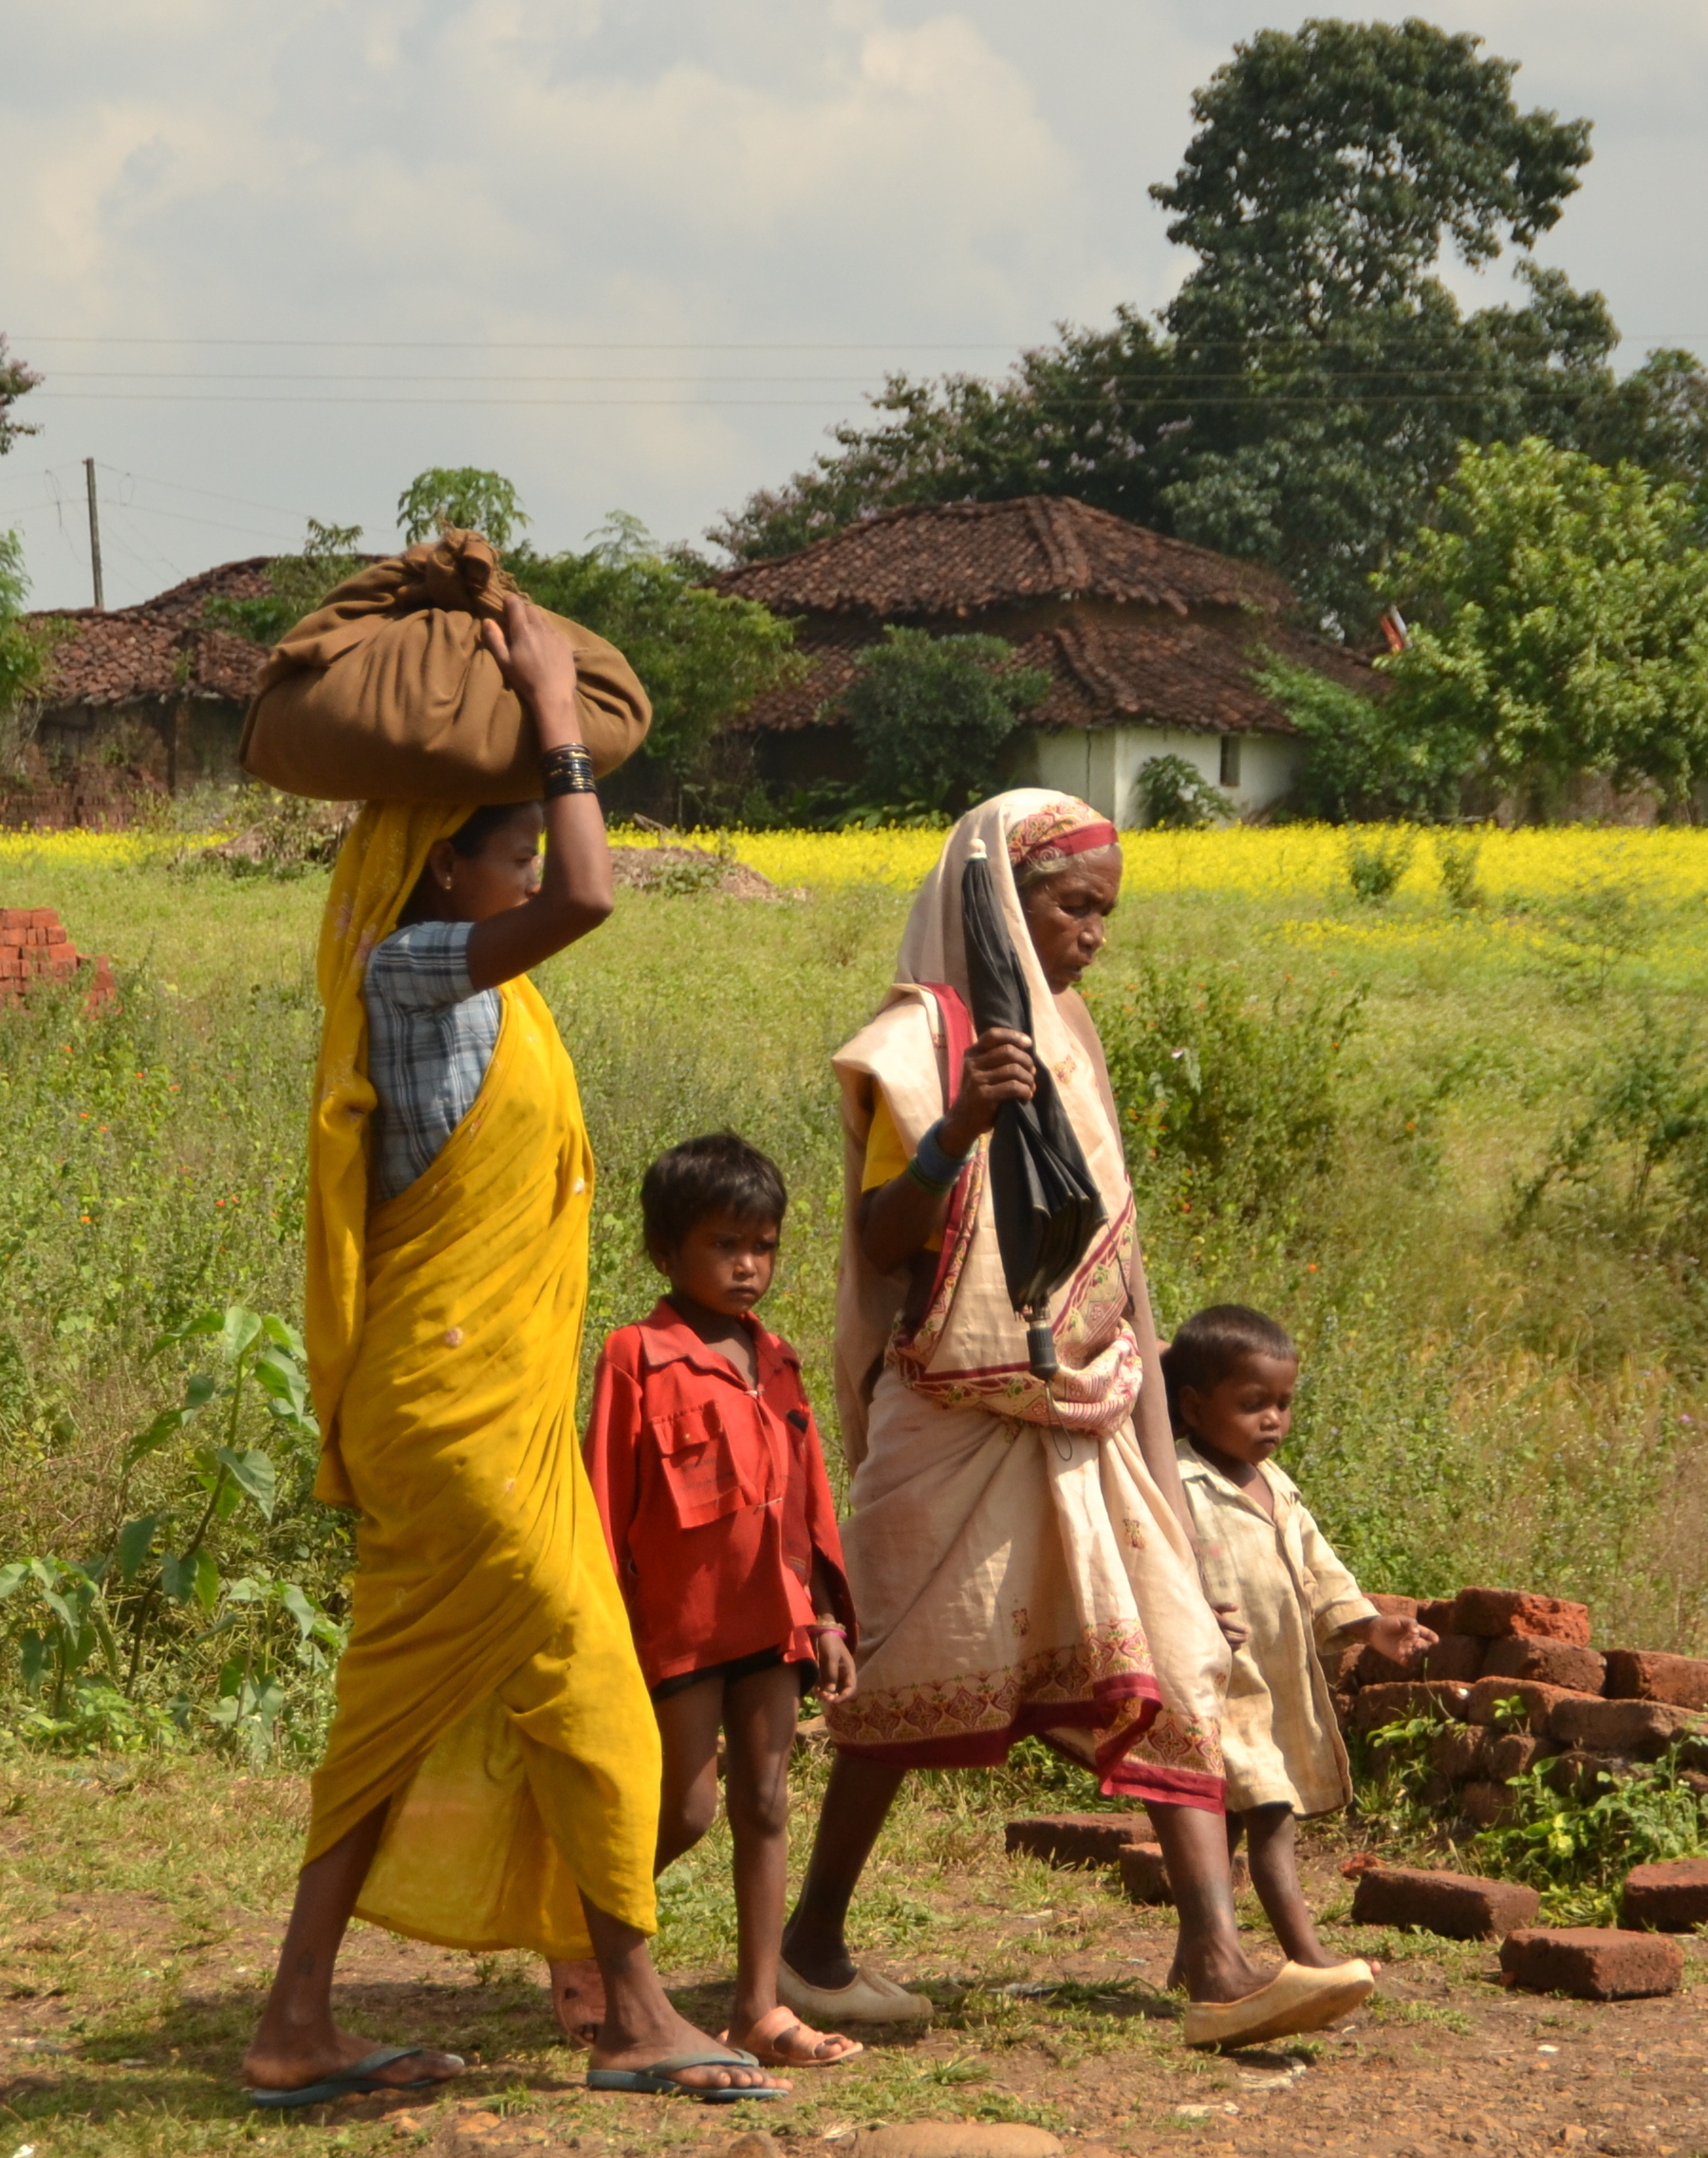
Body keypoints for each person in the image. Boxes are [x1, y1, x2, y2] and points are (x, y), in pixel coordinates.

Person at [240, 596, 782, 2108]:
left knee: (396, 1703)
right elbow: (599, 893)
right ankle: (635, 2012)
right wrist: (554, 712)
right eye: (512, 845)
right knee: (586, 1673)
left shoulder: (488, 987)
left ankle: (296, 2017)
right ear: (443, 867)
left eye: (531, 843)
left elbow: (566, 906)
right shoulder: (418, 966)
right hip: (452, 1407)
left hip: (480, 1409)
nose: (535, 862)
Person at [783, 789, 1377, 2052]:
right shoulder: (915, 1040)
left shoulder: (1076, 1034)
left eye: (1106, 910)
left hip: (1086, 1408)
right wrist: (960, 1127)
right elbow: (881, 1242)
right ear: (1001, 898)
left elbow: (1114, 1256)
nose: (1091, 933)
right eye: (1071, 904)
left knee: (1167, 1654)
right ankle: (812, 1938)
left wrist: (1155, 1442)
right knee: (902, 1682)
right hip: (953, 1417)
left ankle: (1216, 1956)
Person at [545, 1132, 862, 2076]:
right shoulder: (636, 1356)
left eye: (763, 1245)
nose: (748, 1266)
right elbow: (605, 1499)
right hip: (678, 1627)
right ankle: (585, 1932)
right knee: (685, 1807)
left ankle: (758, 2007)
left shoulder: (779, 1362)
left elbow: (810, 1495)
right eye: (725, 1244)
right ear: (664, 1252)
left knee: (764, 1801)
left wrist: (831, 1615)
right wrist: (596, 1630)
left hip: (773, 1617)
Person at [1164, 1304, 1437, 1971]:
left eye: (1284, 1404)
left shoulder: (1278, 1486)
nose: (1273, 1420)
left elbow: (1320, 1569)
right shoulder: (1176, 1483)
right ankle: (1310, 1959)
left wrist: (1372, 1623)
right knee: (1272, 1825)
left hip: (1276, 1691)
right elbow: (1152, 1567)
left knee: (1223, 1831)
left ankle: (1196, 1955)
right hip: (1220, 1691)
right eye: (1253, 1402)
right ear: (1194, 1409)